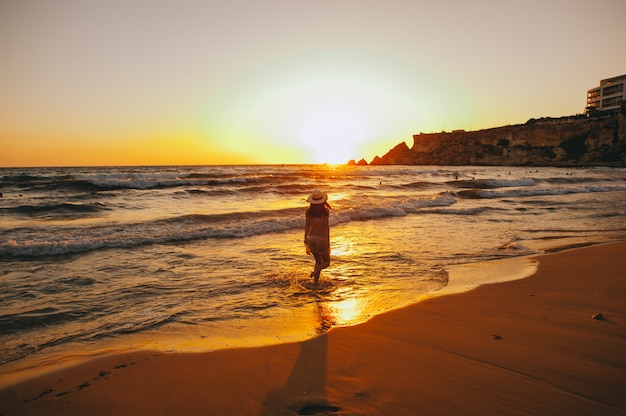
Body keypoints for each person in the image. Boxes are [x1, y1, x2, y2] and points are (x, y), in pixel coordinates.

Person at [304, 189, 331, 285]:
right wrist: (328, 241)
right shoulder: (325, 212)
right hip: (322, 239)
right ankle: (315, 272)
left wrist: (305, 239)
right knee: (326, 262)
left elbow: (307, 226)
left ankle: (315, 283)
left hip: (311, 239)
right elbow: (326, 227)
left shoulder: (308, 212)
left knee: (318, 261)